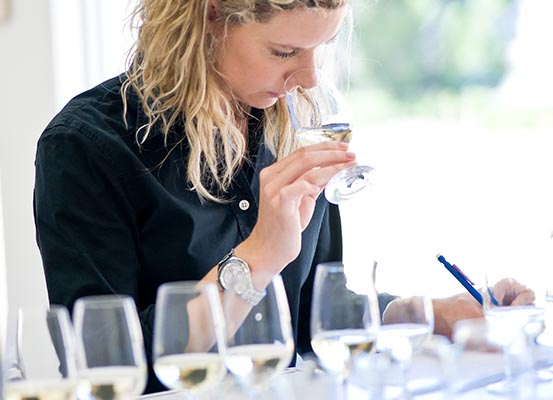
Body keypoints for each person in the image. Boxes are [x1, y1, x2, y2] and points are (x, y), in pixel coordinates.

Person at [33, 0, 534, 394]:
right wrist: (256, 259)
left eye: (322, 48)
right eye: (284, 52)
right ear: (211, 16)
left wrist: (423, 314)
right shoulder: (87, 147)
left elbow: (311, 311)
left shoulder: (297, 128)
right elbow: (105, 363)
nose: (310, 78)